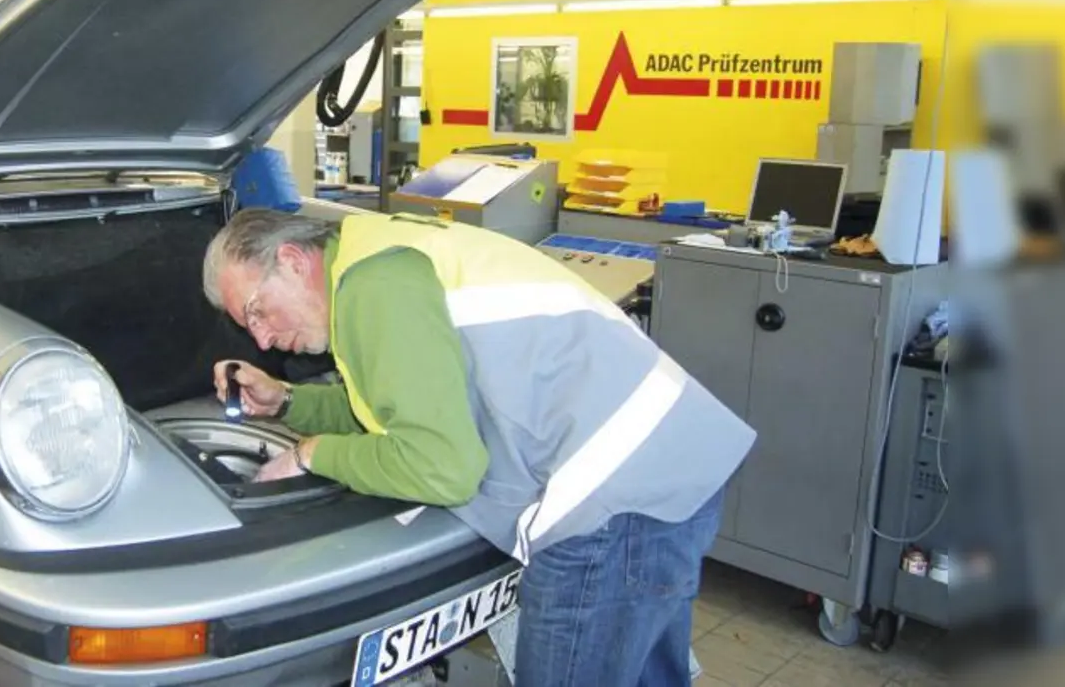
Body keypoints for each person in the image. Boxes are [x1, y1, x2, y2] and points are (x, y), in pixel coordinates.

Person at [200, 208, 756, 687]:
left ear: (295, 261)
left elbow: (443, 471)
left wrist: (310, 454)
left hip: (612, 507)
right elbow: (390, 408)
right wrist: (287, 403)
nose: (262, 339)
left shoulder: (375, 288)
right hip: (666, 466)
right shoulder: (373, 261)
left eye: (256, 311)